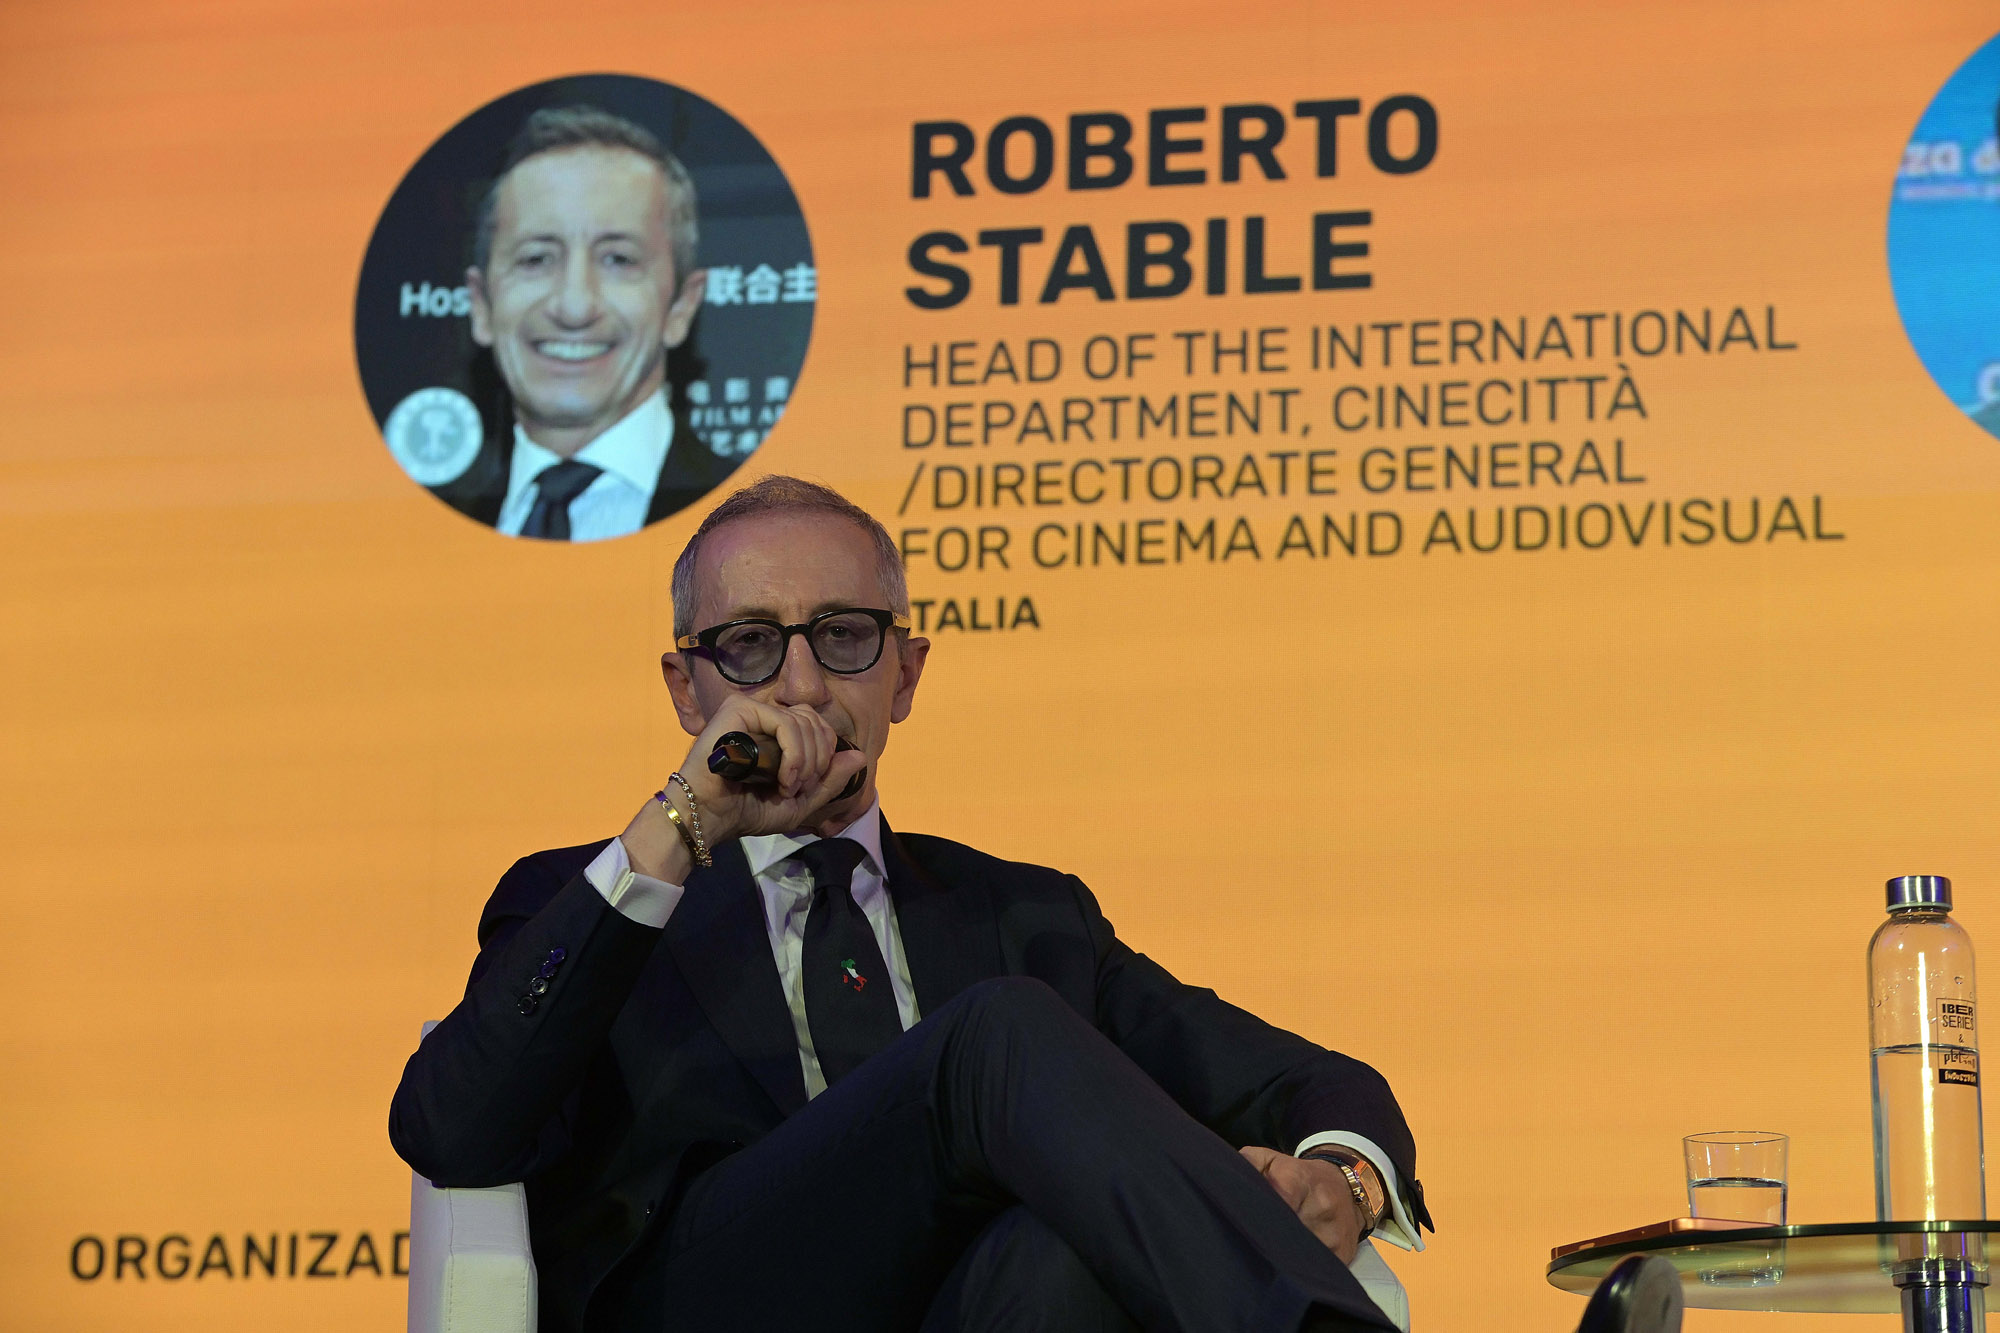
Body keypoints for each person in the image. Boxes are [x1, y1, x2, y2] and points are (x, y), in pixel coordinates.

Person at [392, 476, 1469, 1332]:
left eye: (843, 637)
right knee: (991, 1034)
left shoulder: (1028, 917)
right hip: (714, 1297)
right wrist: (680, 825)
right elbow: (452, 1129)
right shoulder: (602, 896)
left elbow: (1306, 1081)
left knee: (1055, 1256)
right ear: (687, 688)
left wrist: (1347, 1177)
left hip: (978, 1307)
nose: (801, 686)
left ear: (904, 675)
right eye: (751, 644)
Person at [431, 105, 738, 540]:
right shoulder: (419, 537)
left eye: (618, 260)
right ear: (481, 304)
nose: (574, 306)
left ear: (681, 307)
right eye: (536, 259)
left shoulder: (753, 529)